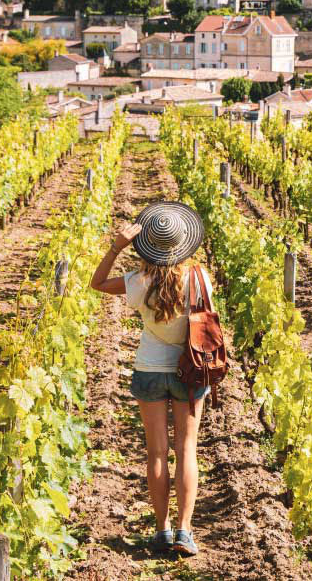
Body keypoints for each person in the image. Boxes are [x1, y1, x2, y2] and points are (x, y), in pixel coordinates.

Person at [90, 201, 212, 556]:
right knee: (187, 449)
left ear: (147, 246)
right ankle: (185, 531)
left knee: (156, 452)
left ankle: (161, 530)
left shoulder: (136, 282)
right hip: (189, 371)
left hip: (149, 371)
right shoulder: (199, 277)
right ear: (183, 243)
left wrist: (116, 246)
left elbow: (96, 283)